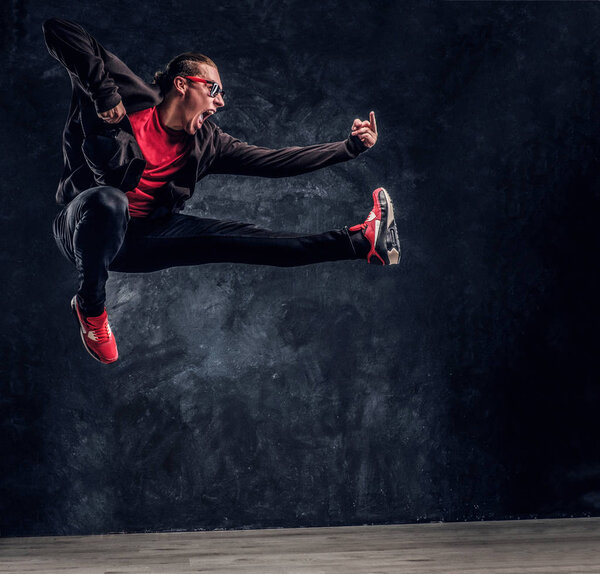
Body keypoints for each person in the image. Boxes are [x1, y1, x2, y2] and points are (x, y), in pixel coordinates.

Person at [42, 18, 400, 365]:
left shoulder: (208, 143)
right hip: (80, 225)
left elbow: (276, 162)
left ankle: (360, 242)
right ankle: (90, 310)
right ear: (182, 84)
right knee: (109, 200)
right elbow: (58, 30)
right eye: (213, 89)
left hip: (142, 239)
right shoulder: (126, 93)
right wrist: (104, 94)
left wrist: (348, 148)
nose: (221, 102)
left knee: (252, 240)